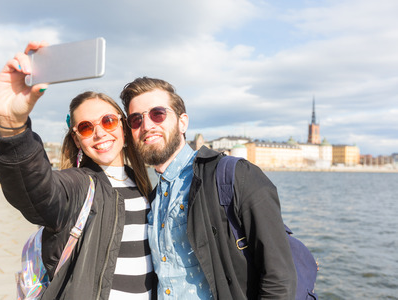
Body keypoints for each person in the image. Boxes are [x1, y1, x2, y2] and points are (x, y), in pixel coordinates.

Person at [0, 42, 156, 299]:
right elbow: (37, 190)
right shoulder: (77, 186)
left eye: (108, 121)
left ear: (123, 127)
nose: (100, 132)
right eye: (87, 128)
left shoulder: (146, 187)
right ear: (78, 139)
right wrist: (11, 126)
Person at [120, 77, 297, 299]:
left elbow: (280, 278)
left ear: (183, 122)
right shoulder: (153, 199)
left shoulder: (234, 175)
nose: (146, 125)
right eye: (136, 120)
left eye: (158, 114)